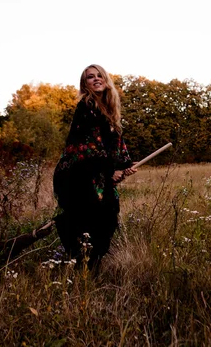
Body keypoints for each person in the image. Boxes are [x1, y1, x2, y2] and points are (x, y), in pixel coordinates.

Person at [53, 64, 137, 271]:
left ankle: (89, 270)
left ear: (106, 80)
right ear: (85, 84)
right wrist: (111, 172)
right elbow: (89, 146)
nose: (96, 79)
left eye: (100, 75)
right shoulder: (86, 107)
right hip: (79, 175)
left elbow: (116, 143)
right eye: (91, 77)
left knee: (107, 219)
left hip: (99, 173)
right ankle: (84, 271)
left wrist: (125, 165)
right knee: (87, 222)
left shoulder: (109, 110)